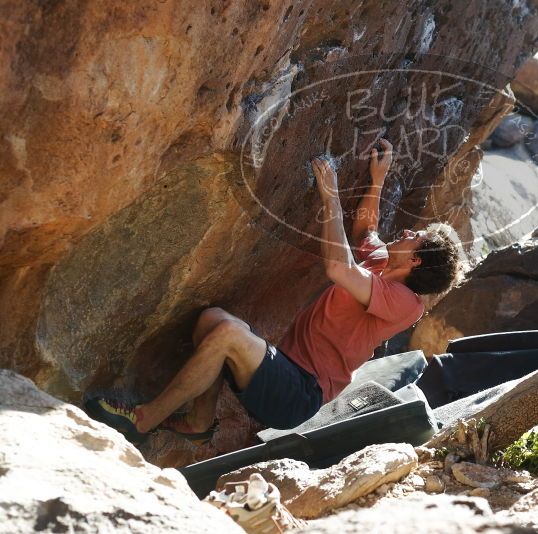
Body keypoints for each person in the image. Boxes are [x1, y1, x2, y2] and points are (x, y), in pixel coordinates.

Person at [87, 138, 462, 444]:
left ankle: (143, 419)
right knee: (211, 321)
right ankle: (199, 421)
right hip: (282, 369)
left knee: (229, 335)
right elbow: (366, 231)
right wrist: (377, 179)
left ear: (416, 262)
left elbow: (337, 267)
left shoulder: (405, 304)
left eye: (418, 237)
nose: (411, 232)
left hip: (298, 393)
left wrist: (330, 197)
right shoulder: (384, 264)